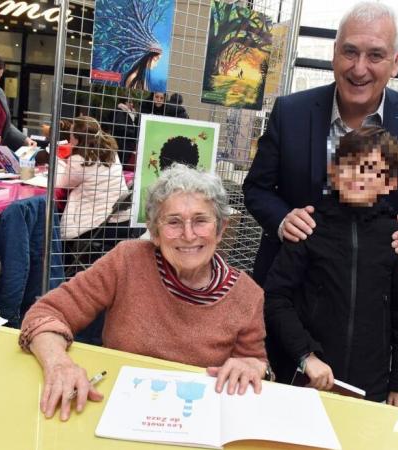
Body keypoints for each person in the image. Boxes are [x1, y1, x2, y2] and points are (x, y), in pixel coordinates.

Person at [19, 164, 270, 420]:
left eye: (200, 220)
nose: (188, 234)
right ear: (155, 233)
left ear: (220, 229)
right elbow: (46, 313)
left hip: (195, 419)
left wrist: (252, 366)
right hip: (116, 409)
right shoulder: (127, 261)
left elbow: (254, 362)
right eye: (173, 222)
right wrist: (59, 364)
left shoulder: (248, 296)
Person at [243, 1, 398, 288]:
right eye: (350, 51)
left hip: (370, 296)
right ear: (334, 52)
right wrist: (283, 220)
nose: (359, 69)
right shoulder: (290, 112)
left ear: (395, 62)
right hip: (287, 291)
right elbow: (256, 188)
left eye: (375, 55)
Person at [264, 126, 398, 410]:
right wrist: (305, 354)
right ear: (333, 172)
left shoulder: (397, 239)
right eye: (349, 165)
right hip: (307, 377)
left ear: (389, 183)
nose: (358, 175)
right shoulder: (309, 228)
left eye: (371, 168)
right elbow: (276, 298)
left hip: (370, 385)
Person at [56, 116, 133, 277]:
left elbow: (62, 183)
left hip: (96, 224)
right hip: (120, 220)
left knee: (58, 236)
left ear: (78, 139)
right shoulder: (110, 152)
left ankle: (62, 273)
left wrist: (57, 164)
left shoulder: (79, 160)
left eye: (71, 135)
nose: (69, 138)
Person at [112, 97, 139, 171]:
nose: (132, 104)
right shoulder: (121, 111)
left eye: (132, 102)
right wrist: (132, 132)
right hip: (123, 144)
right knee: (122, 164)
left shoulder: (130, 113)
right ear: (125, 103)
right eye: (129, 102)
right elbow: (119, 126)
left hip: (127, 144)